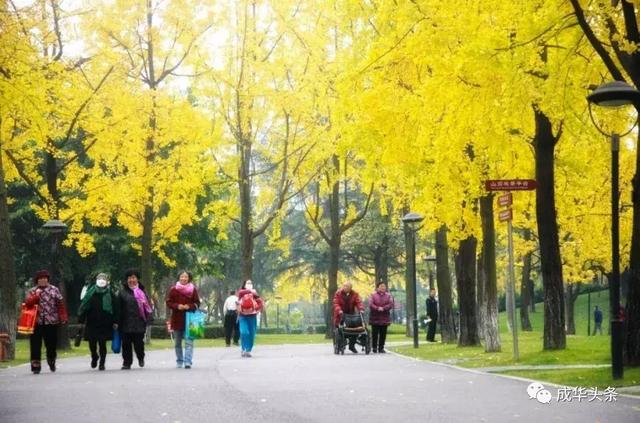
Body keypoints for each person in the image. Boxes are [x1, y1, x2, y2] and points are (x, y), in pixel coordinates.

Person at [24, 269, 68, 374]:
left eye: (44, 278)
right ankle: (36, 365)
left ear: (48, 279)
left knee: (51, 344)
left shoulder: (54, 289)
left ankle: (51, 360)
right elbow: (27, 303)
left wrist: (63, 317)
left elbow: (60, 305)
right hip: (36, 322)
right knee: (35, 344)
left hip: (51, 321)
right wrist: (36, 296)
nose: (43, 280)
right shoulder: (32, 291)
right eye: (40, 279)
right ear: (37, 280)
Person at [78, 273, 119, 370]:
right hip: (92, 322)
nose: (101, 280)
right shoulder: (90, 292)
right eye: (100, 278)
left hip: (105, 323)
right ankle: (94, 356)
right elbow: (84, 307)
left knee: (102, 344)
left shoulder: (110, 293)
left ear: (107, 281)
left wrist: (115, 321)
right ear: (96, 280)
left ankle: (102, 363)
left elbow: (116, 308)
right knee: (92, 343)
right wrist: (81, 321)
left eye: (103, 278)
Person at [118, 269, 152, 370]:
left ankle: (141, 357)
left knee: (139, 344)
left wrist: (149, 319)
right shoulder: (122, 293)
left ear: (137, 279)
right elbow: (118, 308)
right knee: (126, 345)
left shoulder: (143, 292)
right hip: (125, 323)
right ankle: (127, 363)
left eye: (133, 277)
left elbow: (148, 307)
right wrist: (116, 322)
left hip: (139, 323)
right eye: (129, 278)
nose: (131, 280)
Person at [166, 270, 200, 369]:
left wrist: (188, 306)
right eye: (182, 276)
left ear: (189, 278)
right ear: (179, 277)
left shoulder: (193, 290)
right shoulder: (173, 289)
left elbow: (197, 303)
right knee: (177, 342)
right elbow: (169, 303)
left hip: (190, 320)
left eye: (186, 277)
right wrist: (177, 306)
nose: (183, 278)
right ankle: (179, 361)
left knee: (189, 342)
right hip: (177, 319)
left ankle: (188, 361)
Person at [333, 281, 364, 354]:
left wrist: (361, 309)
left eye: (347, 286)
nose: (345, 287)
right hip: (340, 314)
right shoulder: (338, 293)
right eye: (344, 286)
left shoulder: (355, 294)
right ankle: (341, 344)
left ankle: (351, 345)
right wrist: (339, 310)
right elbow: (336, 303)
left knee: (355, 329)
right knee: (340, 329)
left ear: (350, 288)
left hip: (350, 315)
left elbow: (358, 302)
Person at [237, 280, 263, 358]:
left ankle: (248, 350)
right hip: (243, 316)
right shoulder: (241, 292)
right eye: (248, 283)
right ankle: (243, 348)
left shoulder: (254, 294)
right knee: (244, 332)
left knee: (251, 334)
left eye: (251, 283)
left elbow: (260, 301)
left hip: (252, 316)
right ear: (244, 285)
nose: (249, 284)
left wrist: (257, 308)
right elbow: (241, 293)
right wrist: (251, 291)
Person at [368, 281, 394, 353]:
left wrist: (384, 308)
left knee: (383, 333)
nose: (383, 288)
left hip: (384, 317)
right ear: (377, 288)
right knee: (375, 333)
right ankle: (374, 347)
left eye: (384, 286)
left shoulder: (388, 296)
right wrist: (377, 308)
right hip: (375, 317)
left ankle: (381, 348)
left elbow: (391, 304)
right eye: (381, 286)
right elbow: (370, 304)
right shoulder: (373, 295)